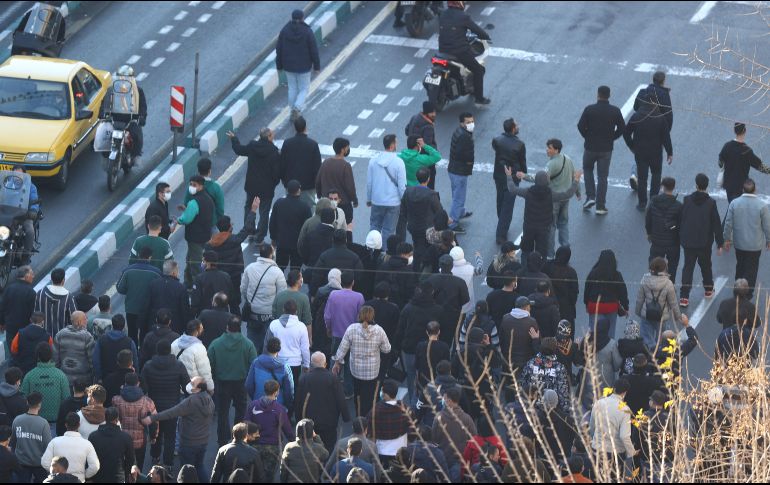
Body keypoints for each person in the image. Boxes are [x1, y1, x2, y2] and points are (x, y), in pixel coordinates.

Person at [143, 376, 216, 483]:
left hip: (189, 442)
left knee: (186, 472)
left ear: (198, 389)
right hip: (203, 441)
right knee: (199, 466)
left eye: (192, 383)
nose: (189, 383)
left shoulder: (191, 402)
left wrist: (152, 418)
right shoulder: (209, 400)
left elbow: (172, 412)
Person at [508, 169, 582, 261]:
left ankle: (525, 270)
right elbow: (567, 194)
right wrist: (576, 180)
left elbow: (512, 189)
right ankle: (540, 270)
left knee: (526, 251)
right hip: (544, 229)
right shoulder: (551, 194)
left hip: (529, 227)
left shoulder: (528, 192)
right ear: (547, 182)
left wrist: (509, 177)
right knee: (541, 253)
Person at [333, 306, 391, 417]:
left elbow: (342, 348)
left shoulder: (352, 329)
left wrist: (337, 362)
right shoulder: (379, 330)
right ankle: (368, 418)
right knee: (369, 396)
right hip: (372, 371)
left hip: (356, 370)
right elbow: (387, 349)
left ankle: (359, 417)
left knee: (358, 394)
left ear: (359, 315)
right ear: (372, 316)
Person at [208, 315, 257, 447]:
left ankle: (222, 441)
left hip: (222, 383)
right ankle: (239, 437)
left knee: (223, 413)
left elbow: (210, 363)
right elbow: (253, 364)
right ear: (240, 328)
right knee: (241, 411)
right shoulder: (248, 344)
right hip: (241, 382)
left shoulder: (216, 344)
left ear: (227, 327)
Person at [140, 340, 189, 469]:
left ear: (157, 350)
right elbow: (186, 386)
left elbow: (144, 387)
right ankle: (168, 464)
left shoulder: (148, 366)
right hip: (173, 406)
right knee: (170, 436)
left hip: (154, 407)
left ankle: (155, 458)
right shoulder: (178, 365)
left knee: (156, 433)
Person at [226, 127, 280, 243]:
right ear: (269, 137)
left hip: (251, 187)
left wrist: (234, 139)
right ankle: (260, 236)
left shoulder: (252, 146)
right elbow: (276, 173)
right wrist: (273, 184)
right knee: (264, 212)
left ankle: (249, 231)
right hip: (266, 189)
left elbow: (239, 150)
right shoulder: (274, 152)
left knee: (249, 208)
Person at [577, 85, 625, 215]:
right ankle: (600, 206)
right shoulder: (615, 111)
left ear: (597, 94)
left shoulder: (589, 109)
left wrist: (587, 137)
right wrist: (612, 138)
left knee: (587, 170)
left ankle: (590, 197)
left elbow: (580, 126)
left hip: (590, 147)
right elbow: (622, 128)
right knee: (603, 176)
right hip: (606, 149)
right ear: (609, 95)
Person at [394, 280, 443, 405]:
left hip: (409, 347)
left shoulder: (408, 308)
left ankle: (413, 401)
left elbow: (400, 329)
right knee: (428, 374)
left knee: (411, 375)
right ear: (432, 293)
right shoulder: (438, 310)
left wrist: (396, 347)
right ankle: (427, 401)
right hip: (429, 348)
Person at [205, 200, 259, 312]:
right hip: (234, 275)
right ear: (229, 227)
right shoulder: (235, 239)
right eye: (231, 223)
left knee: (221, 300)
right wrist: (253, 211)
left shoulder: (210, 244)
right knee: (234, 302)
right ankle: (235, 321)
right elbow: (247, 228)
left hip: (218, 275)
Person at [679, 173, 724, 307]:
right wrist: (719, 243)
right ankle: (708, 290)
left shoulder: (687, 200)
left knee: (688, 267)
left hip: (688, 241)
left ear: (696, 185)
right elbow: (716, 223)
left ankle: (684, 297)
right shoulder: (711, 203)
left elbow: (682, 218)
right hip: (704, 242)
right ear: (707, 186)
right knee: (705, 266)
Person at [724, 178, 770, 299]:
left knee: (740, 266)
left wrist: (727, 239)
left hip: (739, 243)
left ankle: (737, 290)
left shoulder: (734, 203)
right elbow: (767, 226)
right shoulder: (762, 205)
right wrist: (769, 240)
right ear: (755, 190)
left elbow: (728, 223)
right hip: (755, 245)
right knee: (751, 269)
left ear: (742, 189)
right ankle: (748, 294)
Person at [438, 0, 491, 105]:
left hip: (442, 50)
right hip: (459, 51)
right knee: (478, 70)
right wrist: (486, 36)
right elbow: (477, 30)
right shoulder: (463, 16)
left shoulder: (443, 14)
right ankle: (479, 98)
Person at [294, 352, 350, 452]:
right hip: (329, 421)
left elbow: (298, 401)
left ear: (311, 364)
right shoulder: (332, 378)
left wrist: (299, 419)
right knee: (329, 446)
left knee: (311, 448)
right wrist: (346, 417)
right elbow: (340, 399)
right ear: (325, 364)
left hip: (309, 422)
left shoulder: (304, 379)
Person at [623, 102, 673, 210]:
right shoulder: (660, 117)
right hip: (656, 152)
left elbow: (626, 133)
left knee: (642, 178)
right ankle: (654, 201)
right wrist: (670, 152)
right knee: (656, 175)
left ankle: (642, 203)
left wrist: (632, 146)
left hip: (640, 152)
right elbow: (666, 138)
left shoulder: (636, 116)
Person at [243, 380, 294, 482]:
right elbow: (287, 429)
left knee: (253, 475)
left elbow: (245, 424)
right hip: (272, 448)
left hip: (254, 445)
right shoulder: (280, 409)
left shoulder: (252, 405)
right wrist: (295, 442)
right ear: (276, 392)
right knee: (268, 477)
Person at [635, 257, 689, 353]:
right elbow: (673, 303)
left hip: (647, 314)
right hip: (662, 316)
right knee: (663, 337)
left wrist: (638, 312)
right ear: (664, 269)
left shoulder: (645, 280)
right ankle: (660, 355)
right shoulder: (668, 283)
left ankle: (650, 356)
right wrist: (678, 317)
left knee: (647, 338)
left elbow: (640, 299)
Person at [241, 243, 287, 353]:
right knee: (269, 347)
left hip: (252, 313)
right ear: (271, 254)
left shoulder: (250, 268)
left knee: (252, 346)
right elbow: (282, 294)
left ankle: (253, 366)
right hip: (269, 315)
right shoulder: (277, 272)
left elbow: (243, 288)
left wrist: (249, 300)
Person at [326, 270, 365, 397]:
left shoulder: (333, 295)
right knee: (349, 362)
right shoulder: (359, 297)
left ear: (340, 281)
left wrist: (329, 329)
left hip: (337, 334)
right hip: (353, 336)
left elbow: (327, 316)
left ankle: (331, 387)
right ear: (353, 282)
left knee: (335, 359)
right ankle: (348, 390)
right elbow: (361, 318)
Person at [276, 10, 320, 120]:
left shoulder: (285, 30)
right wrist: (317, 66)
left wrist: (279, 65)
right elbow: (313, 50)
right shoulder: (307, 31)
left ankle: (292, 111)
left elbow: (279, 49)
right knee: (304, 88)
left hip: (288, 66)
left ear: (291, 18)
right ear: (302, 18)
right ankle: (297, 107)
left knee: (292, 88)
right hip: (304, 66)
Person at [589, 378, 635, 476]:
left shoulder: (599, 403)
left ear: (613, 388)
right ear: (625, 393)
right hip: (615, 453)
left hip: (597, 448)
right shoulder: (625, 410)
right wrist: (631, 452)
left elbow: (592, 426)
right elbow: (624, 436)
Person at [399, 167, 445, 268]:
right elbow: (439, 212)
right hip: (428, 229)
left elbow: (403, 210)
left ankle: (417, 266)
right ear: (428, 179)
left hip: (413, 227)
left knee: (417, 246)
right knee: (428, 249)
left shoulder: (408, 191)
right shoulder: (431, 194)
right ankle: (424, 267)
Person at [112, 372, 157, 472]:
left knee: (124, 464)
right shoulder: (147, 401)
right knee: (139, 464)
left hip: (122, 438)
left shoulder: (116, 400)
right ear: (138, 383)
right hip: (140, 439)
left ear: (125, 383)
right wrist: (153, 436)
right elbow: (154, 420)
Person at [117, 246, 162, 345]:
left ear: (138, 256)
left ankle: (133, 355)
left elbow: (120, 288)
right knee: (145, 333)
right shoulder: (156, 272)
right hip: (147, 310)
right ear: (150, 257)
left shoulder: (127, 271)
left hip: (131, 309)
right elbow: (159, 291)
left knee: (132, 333)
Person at [493, 118, 527, 245]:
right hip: (512, 177)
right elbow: (522, 161)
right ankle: (501, 234)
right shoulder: (519, 144)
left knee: (500, 200)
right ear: (513, 129)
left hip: (499, 175)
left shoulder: (497, 140)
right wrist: (523, 173)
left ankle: (501, 223)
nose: (518, 126)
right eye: (516, 125)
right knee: (508, 206)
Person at [432, 386, 477, 482]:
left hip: (443, 459)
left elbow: (433, 438)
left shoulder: (438, 418)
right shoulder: (467, 419)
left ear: (449, 400)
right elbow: (474, 439)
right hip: (460, 460)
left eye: (444, 398)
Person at [368, 134, 407, 241]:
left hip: (376, 201)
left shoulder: (373, 161)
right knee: (388, 230)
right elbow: (402, 186)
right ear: (393, 145)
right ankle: (385, 254)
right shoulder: (399, 162)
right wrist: (404, 200)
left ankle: (372, 249)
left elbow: (369, 183)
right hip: (393, 202)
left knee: (374, 227)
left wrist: (368, 199)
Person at [718, 122, 770, 203]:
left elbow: (720, 163)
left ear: (735, 131)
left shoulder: (727, 146)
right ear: (745, 131)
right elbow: (760, 166)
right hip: (741, 187)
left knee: (732, 207)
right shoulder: (746, 150)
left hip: (729, 186)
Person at [544, 139, 579, 257]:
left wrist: (524, 176)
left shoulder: (551, 164)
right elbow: (574, 176)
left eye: (549, 148)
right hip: (565, 198)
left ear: (556, 150)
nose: (547, 150)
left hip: (553, 199)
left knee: (551, 226)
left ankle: (550, 255)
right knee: (563, 223)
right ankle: (565, 249)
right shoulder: (567, 159)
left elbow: (542, 179)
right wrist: (578, 192)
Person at [178, 175, 215, 287]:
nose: (191, 187)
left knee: (194, 264)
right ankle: (187, 283)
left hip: (194, 238)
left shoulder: (194, 202)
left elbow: (186, 219)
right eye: (190, 184)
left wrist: (178, 220)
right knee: (189, 260)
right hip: (205, 235)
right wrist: (187, 210)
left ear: (201, 186)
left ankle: (197, 287)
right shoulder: (208, 199)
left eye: (194, 185)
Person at [41, 413, 100, 483]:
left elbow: (45, 462)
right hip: (78, 480)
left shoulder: (54, 442)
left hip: (58, 480)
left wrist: (55, 473)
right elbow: (95, 466)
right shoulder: (87, 444)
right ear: (79, 425)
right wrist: (84, 475)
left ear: (66, 425)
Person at [21, 343, 70, 427]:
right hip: (56, 421)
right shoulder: (60, 375)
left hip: (35, 422)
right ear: (51, 356)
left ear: (38, 356)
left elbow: (23, 398)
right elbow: (67, 398)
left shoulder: (29, 375)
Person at [427, 254, 470, 346]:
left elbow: (426, 296)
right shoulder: (459, 282)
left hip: (433, 315)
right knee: (447, 340)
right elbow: (465, 299)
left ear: (440, 266)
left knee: (432, 339)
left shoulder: (431, 279)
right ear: (451, 266)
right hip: (452, 316)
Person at [584, 249, 629, 339]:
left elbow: (587, 290)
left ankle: (593, 350)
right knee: (610, 332)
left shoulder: (593, 273)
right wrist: (626, 307)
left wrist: (586, 304)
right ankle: (608, 350)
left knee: (594, 332)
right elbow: (622, 292)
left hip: (594, 306)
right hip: (611, 306)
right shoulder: (616, 275)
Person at [645, 176, 682, 284]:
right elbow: (681, 224)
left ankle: (654, 284)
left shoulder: (653, 202)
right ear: (673, 187)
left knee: (654, 265)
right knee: (673, 266)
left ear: (662, 187)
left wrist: (649, 233)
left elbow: (648, 220)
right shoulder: (678, 206)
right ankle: (670, 286)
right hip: (673, 242)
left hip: (657, 241)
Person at [270, 179, 313, 270]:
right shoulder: (305, 207)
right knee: (295, 269)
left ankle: (279, 283)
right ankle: (293, 284)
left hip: (282, 242)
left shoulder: (279, 203)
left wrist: (273, 238)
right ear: (299, 190)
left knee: (280, 268)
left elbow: (272, 223)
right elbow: (307, 227)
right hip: (297, 244)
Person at [281, 117, 322, 209]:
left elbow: (282, 164)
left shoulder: (287, 143)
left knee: (291, 209)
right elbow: (317, 167)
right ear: (305, 127)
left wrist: (285, 181)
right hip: (308, 185)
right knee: (309, 208)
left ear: (295, 128)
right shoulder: (313, 144)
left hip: (290, 184)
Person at [366, 379, 410, 466]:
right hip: (401, 449)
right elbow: (412, 427)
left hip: (382, 450)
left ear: (385, 395)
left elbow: (369, 431)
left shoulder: (376, 410)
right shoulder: (404, 408)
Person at [265, 299, 310, 386]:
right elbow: (305, 348)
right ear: (296, 311)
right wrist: (306, 364)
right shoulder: (301, 326)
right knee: (293, 389)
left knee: (276, 388)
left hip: (277, 362)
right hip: (295, 364)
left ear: (283, 310)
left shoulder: (273, 324)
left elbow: (267, 345)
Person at [11, 392, 51, 483]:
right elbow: (48, 446)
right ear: (40, 404)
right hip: (39, 463)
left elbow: (13, 442)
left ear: (27, 403)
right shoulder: (43, 423)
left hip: (21, 462)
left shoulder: (17, 420)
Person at [317, 137, 358, 224]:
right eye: (347, 147)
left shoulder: (325, 163)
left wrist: (319, 195)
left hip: (327, 203)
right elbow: (350, 187)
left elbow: (318, 181)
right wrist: (354, 200)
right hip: (343, 205)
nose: (348, 149)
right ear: (343, 150)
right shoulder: (345, 166)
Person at [88, 407, 133, 483]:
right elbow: (130, 459)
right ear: (117, 419)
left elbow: (89, 458)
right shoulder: (125, 437)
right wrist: (125, 473)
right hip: (118, 477)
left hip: (98, 477)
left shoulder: (93, 436)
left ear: (105, 418)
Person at [245, 337, 294, 408]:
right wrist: (288, 405)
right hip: (278, 406)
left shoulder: (256, 362)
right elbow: (289, 390)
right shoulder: (285, 367)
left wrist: (255, 398)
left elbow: (249, 385)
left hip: (259, 403)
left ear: (267, 347)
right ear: (279, 349)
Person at [448, 112, 476, 232]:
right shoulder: (464, 136)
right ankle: (453, 223)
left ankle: (460, 212)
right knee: (458, 198)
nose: (471, 124)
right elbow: (462, 154)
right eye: (468, 122)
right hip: (459, 171)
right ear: (462, 123)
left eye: (472, 121)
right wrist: (469, 162)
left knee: (456, 194)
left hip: (454, 169)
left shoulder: (460, 131)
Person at [313, 230, 364, 295]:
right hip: (348, 294)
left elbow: (316, 276)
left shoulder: (324, 256)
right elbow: (359, 277)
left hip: (328, 294)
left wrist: (313, 293)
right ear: (346, 240)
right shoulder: (354, 257)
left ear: (333, 239)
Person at [499, 296, 539, 377]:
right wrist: (536, 339)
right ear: (527, 307)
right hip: (525, 359)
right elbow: (535, 344)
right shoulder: (531, 322)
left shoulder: (505, 318)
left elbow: (501, 338)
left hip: (509, 358)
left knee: (510, 383)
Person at [147, 261, 190, 335]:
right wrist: (186, 327)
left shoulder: (153, 285)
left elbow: (147, 305)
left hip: (155, 325)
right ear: (174, 273)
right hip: (175, 328)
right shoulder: (181, 288)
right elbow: (185, 310)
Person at [280, 418, 329, 483]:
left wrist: (283, 480)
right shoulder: (317, 448)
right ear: (311, 433)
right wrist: (316, 437)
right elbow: (326, 455)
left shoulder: (289, 447)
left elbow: (283, 468)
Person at [171, 320, 215, 392]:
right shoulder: (199, 348)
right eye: (201, 328)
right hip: (193, 388)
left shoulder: (175, 343)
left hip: (177, 386)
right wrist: (210, 388)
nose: (203, 330)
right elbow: (205, 371)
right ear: (196, 332)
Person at [53, 311, 94, 385]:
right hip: (83, 381)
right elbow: (92, 360)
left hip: (64, 379)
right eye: (85, 319)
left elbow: (55, 358)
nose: (87, 321)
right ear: (79, 322)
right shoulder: (87, 337)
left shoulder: (60, 335)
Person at [93, 315, 137, 382]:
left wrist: (99, 377)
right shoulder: (130, 342)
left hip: (106, 379)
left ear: (112, 325)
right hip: (125, 380)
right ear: (124, 326)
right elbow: (135, 362)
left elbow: (96, 361)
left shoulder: (101, 340)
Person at [543, 246, 579, 328]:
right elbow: (574, 292)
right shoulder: (571, 272)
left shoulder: (547, 266)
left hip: (549, 304)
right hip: (566, 309)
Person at [406, 102, 439, 190]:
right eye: (432, 112)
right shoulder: (428, 127)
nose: (434, 114)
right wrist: (433, 150)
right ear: (427, 113)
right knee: (430, 185)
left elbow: (406, 130)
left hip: (412, 154)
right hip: (424, 161)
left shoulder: (414, 117)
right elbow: (427, 146)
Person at [35, 268, 76, 337]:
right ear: (63, 280)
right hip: (61, 338)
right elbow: (74, 319)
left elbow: (34, 312)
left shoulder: (40, 293)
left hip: (41, 336)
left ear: (51, 279)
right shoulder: (69, 297)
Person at [375, 241, 417, 310]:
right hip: (400, 306)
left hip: (382, 304)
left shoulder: (384, 265)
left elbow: (377, 283)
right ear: (403, 254)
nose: (411, 257)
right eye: (409, 255)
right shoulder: (408, 271)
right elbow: (410, 292)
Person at [0, 265, 36, 344]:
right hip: (24, 329)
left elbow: (2, 307)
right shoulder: (31, 292)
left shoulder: (9, 289)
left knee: (10, 353)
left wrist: (1, 323)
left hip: (10, 327)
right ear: (26, 276)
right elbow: (32, 313)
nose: (33, 276)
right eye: (32, 274)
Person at [191, 251, 233, 317]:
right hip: (223, 314)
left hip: (205, 315)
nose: (202, 263)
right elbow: (231, 297)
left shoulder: (199, 278)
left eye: (203, 261)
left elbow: (195, 301)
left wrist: (192, 318)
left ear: (208, 263)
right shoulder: (226, 276)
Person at [416, 321, 452, 391]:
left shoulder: (420, 346)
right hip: (438, 380)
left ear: (427, 332)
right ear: (439, 332)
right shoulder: (444, 346)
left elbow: (417, 365)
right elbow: (447, 364)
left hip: (424, 379)